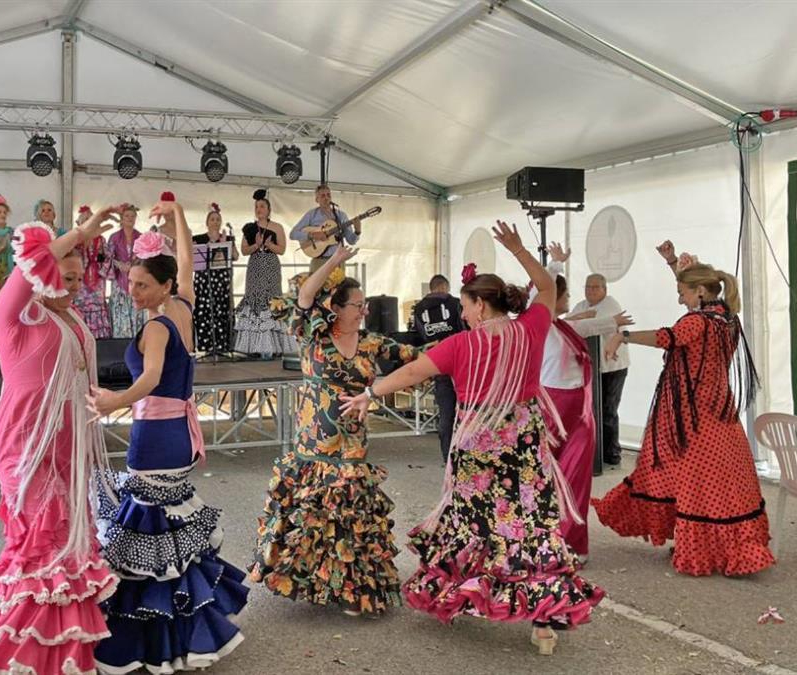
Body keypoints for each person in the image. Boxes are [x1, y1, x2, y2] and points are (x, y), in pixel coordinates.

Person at [341, 222, 603, 655]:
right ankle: (542, 622)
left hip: (478, 447)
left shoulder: (462, 345)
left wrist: (370, 393)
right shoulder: (533, 327)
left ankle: (466, 594)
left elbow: (410, 373)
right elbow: (545, 286)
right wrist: (519, 250)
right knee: (529, 526)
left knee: (475, 525)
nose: (462, 314)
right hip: (522, 447)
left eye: (465, 306)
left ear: (481, 305)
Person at [0, 208, 123, 675]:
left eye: (78, 278)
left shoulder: (73, 318)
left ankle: (60, 652)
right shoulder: (12, 319)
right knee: (40, 546)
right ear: (45, 275)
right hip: (24, 446)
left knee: (69, 547)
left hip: (68, 446)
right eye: (65, 276)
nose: (74, 286)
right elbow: (21, 274)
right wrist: (77, 233)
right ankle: (13, 651)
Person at [87, 199, 247, 673]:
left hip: (155, 437)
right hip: (178, 434)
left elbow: (152, 378)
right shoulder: (181, 306)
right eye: (130, 282)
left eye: (140, 284)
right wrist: (177, 213)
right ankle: (186, 632)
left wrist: (114, 401)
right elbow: (186, 263)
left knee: (147, 541)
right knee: (168, 537)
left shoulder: (158, 325)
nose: (130, 290)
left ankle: (150, 640)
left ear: (162, 286)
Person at [249, 246, 419, 617]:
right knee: (312, 516)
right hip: (313, 441)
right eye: (356, 304)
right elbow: (305, 297)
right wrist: (334, 262)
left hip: (353, 443)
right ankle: (307, 578)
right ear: (336, 308)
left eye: (364, 305)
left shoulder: (372, 342)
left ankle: (353, 589)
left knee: (349, 515)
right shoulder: (313, 337)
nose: (364, 310)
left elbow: (416, 358)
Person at [592, 241, 773, 577]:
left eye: (683, 293)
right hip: (720, 416)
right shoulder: (726, 318)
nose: (680, 299)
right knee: (718, 486)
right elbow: (696, 295)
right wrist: (674, 263)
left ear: (701, 291)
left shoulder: (697, 324)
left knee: (698, 486)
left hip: (697, 420)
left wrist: (623, 335)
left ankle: (707, 550)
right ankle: (726, 545)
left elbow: (667, 336)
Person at [535, 243, 633, 559]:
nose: (568, 300)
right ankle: (543, 537)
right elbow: (539, 292)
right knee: (544, 477)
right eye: (562, 296)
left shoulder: (564, 325)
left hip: (579, 413)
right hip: (553, 411)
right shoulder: (540, 326)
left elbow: (588, 325)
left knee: (577, 480)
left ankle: (572, 543)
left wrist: (614, 323)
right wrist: (554, 266)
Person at [569, 272, 628, 465]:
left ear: (605, 289)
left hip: (612, 367)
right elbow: (568, 323)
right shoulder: (583, 306)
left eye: (595, 287)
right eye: (587, 287)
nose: (590, 291)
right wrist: (582, 316)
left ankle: (612, 453)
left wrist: (582, 319)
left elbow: (594, 326)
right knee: (593, 410)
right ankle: (596, 452)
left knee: (608, 410)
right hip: (593, 367)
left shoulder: (611, 305)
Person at [233, 188, 293, 359]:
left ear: (268, 210)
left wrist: (268, 245)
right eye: (256, 207)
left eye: (262, 206)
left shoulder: (277, 227)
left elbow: (281, 249)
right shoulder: (250, 228)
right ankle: (254, 346)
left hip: (271, 266)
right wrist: (256, 245)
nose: (259, 209)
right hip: (255, 266)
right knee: (254, 300)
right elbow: (244, 250)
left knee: (271, 300)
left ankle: (274, 346)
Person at [410, 273, 464, 463]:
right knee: (469, 409)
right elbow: (465, 327)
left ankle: (448, 458)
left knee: (446, 413)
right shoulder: (457, 303)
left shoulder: (417, 309)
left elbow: (416, 336)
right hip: (462, 361)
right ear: (445, 287)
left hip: (438, 363)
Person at [192, 202, 237, 354]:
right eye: (212, 219)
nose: (215, 222)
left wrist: (226, 243)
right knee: (204, 312)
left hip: (221, 280)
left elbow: (236, 256)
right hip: (204, 280)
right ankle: (206, 346)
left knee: (221, 311)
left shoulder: (228, 238)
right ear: (207, 222)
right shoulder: (198, 238)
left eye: (218, 219)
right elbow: (192, 258)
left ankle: (222, 345)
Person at [291, 184, 362, 273]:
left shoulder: (341, 215)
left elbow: (351, 241)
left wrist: (357, 231)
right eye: (323, 196)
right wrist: (312, 235)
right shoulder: (311, 214)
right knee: (317, 287)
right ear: (317, 199)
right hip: (319, 260)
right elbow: (293, 234)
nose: (326, 198)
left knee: (339, 286)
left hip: (337, 260)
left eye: (328, 195)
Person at [71, 205, 113, 338]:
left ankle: (99, 336)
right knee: (80, 304)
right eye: (85, 221)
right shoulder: (76, 241)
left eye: (90, 220)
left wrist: (101, 271)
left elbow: (108, 257)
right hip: (81, 280)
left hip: (97, 279)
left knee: (97, 305)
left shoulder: (101, 240)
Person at [106, 204, 143, 339]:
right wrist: (118, 264)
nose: (130, 218)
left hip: (136, 281)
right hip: (119, 281)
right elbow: (107, 257)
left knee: (136, 312)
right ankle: (121, 346)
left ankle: (137, 344)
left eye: (133, 216)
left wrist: (134, 265)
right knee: (120, 314)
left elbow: (145, 257)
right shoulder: (114, 237)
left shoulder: (141, 236)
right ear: (121, 218)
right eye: (127, 216)